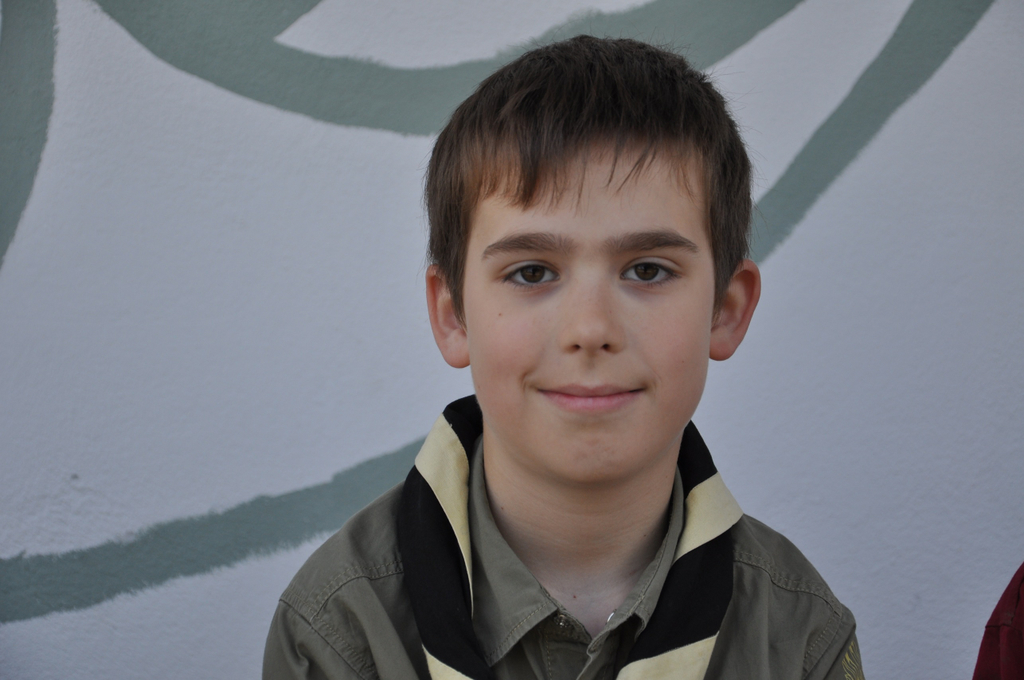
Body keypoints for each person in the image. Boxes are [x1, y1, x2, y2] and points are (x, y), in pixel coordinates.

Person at [263, 35, 864, 680]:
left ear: (726, 309)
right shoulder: (343, 630)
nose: (590, 329)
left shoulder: (798, 638)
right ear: (453, 315)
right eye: (531, 272)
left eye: (647, 270)